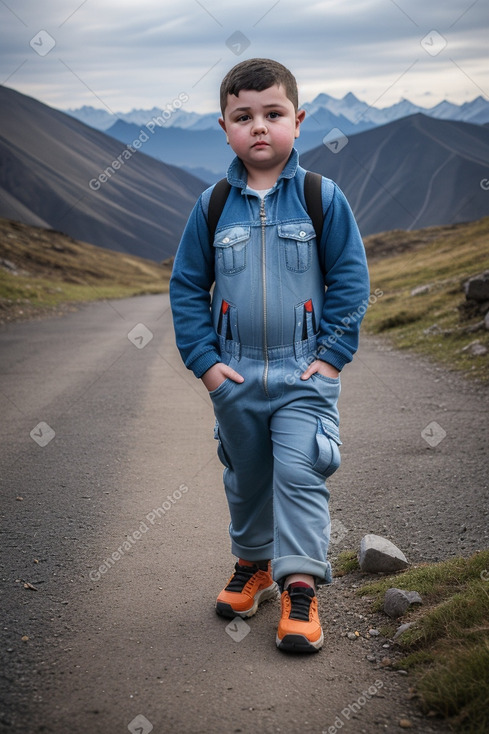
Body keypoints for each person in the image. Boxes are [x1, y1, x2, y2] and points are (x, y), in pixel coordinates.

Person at [170, 58, 370, 653]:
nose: (260, 127)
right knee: (247, 473)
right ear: (226, 127)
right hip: (233, 374)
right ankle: (254, 564)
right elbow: (186, 287)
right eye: (244, 116)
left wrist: (331, 357)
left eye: (273, 114)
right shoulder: (210, 206)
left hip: (303, 369)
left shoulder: (320, 197)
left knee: (301, 470)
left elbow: (352, 282)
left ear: (298, 121)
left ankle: (300, 587)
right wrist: (206, 364)